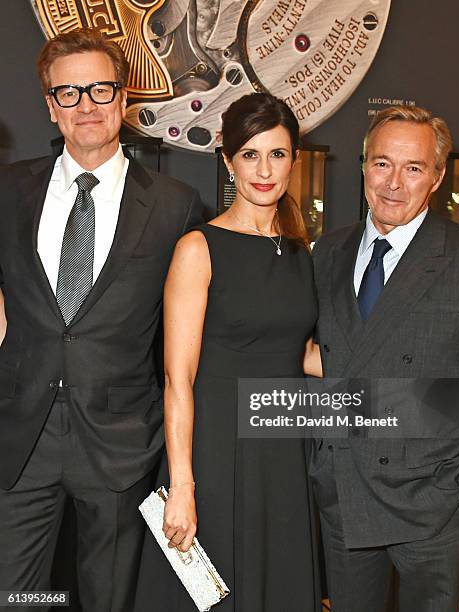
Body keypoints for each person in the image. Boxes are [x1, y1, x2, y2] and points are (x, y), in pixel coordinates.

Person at [0, 28, 202, 611]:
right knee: (18, 597)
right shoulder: (8, 191)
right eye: (68, 92)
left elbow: (181, 338)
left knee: (107, 601)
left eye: (100, 88)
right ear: (49, 106)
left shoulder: (174, 204)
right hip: (21, 438)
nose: (86, 104)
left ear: (124, 97)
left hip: (119, 444)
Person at [135, 92, 322, 611]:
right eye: (250, 154)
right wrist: (183, 485)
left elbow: (301, 353)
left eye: (278, 154)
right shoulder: (199, 248)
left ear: (294, 159)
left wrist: (394, 372)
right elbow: (178, 377)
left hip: (283, 449)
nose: (264, 170)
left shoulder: (302, 252)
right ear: (227, 159)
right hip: (214, 451)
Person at [309, 105, 459, 611]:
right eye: (382, 163)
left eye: (413, 168)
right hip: (343, 491)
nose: (393, 183)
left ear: (435, 178)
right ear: (364, 166)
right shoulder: (328, 252)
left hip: (433, 501)